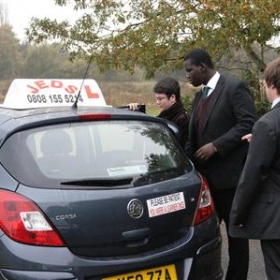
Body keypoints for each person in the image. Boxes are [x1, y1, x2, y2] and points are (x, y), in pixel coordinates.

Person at [183, 48, 256, 280]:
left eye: (189, 70)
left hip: (230, 181)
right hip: (204, 184)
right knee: (204, 237)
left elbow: (247, 124)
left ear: (203, 67)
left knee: (237, 239)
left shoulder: (234, 88)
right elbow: (192, 138)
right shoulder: (199, 96)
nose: (187, 75)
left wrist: (217, 146)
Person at [229, 57, 280, 280]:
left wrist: (238, 214)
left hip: (276, 219)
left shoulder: (267, 124)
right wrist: (260, 141)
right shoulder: (266, 129)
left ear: (271, 84)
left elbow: (252, 176)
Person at [128, 77, 189, 149]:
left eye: (160, 99)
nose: (157, 102)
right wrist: (136, 112)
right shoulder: (168, 115)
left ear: (172, 98)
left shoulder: (182, 120)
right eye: (156, 99)